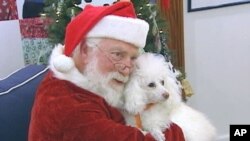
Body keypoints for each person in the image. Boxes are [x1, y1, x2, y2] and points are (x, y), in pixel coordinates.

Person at [28, 1, 185, 141]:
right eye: (118, 55)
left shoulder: (96, 83)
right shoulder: (69, 106)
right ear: (84, 51)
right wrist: (174, 130)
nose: (127, 68)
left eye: (132, 58)